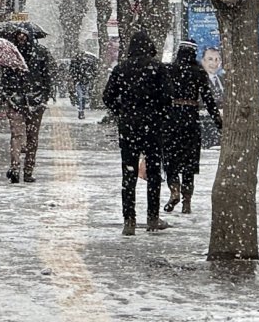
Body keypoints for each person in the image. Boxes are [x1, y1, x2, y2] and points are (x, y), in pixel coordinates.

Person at [103, 30, 172, 236]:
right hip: (152, 126)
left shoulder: (121, 69)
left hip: (129, 126)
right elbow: (167, 98)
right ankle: (152, 217)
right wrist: (157, 113)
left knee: (129, 173)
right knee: (153, 173)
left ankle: (129, 220)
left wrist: (122, 110)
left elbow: (107, 96)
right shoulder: (157, 68)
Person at [163, 40, 222, 214]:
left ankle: (174, 190)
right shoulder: (199, 73)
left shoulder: (169, 71)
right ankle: (187, 201)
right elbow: (209, 100)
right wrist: (218, 121)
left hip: (171, 120)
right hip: (191, 120)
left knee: (171, 160)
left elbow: (162, 96)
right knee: (189, 163)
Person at [2, 29, 56, 183]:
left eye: (24, 36)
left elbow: (47, 76)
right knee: (18, 135)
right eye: (19, 36)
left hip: (35, 101)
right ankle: (15, 167)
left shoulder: (40, 53)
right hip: (17, 101)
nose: (21, 38)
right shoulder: (12, 53)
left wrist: (44, 96)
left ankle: (27, 170)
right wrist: (8, 94)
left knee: (31, 138)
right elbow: (5, 76)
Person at [69, 51, 99, 119]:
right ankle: (81, 111)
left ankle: (81, 109)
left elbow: (94, 71)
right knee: (81, 97)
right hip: (80, 81)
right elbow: (71, 72)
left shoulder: (87, 63)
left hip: (84, 81)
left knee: (83, 97)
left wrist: (90, 76)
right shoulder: (76, 63)